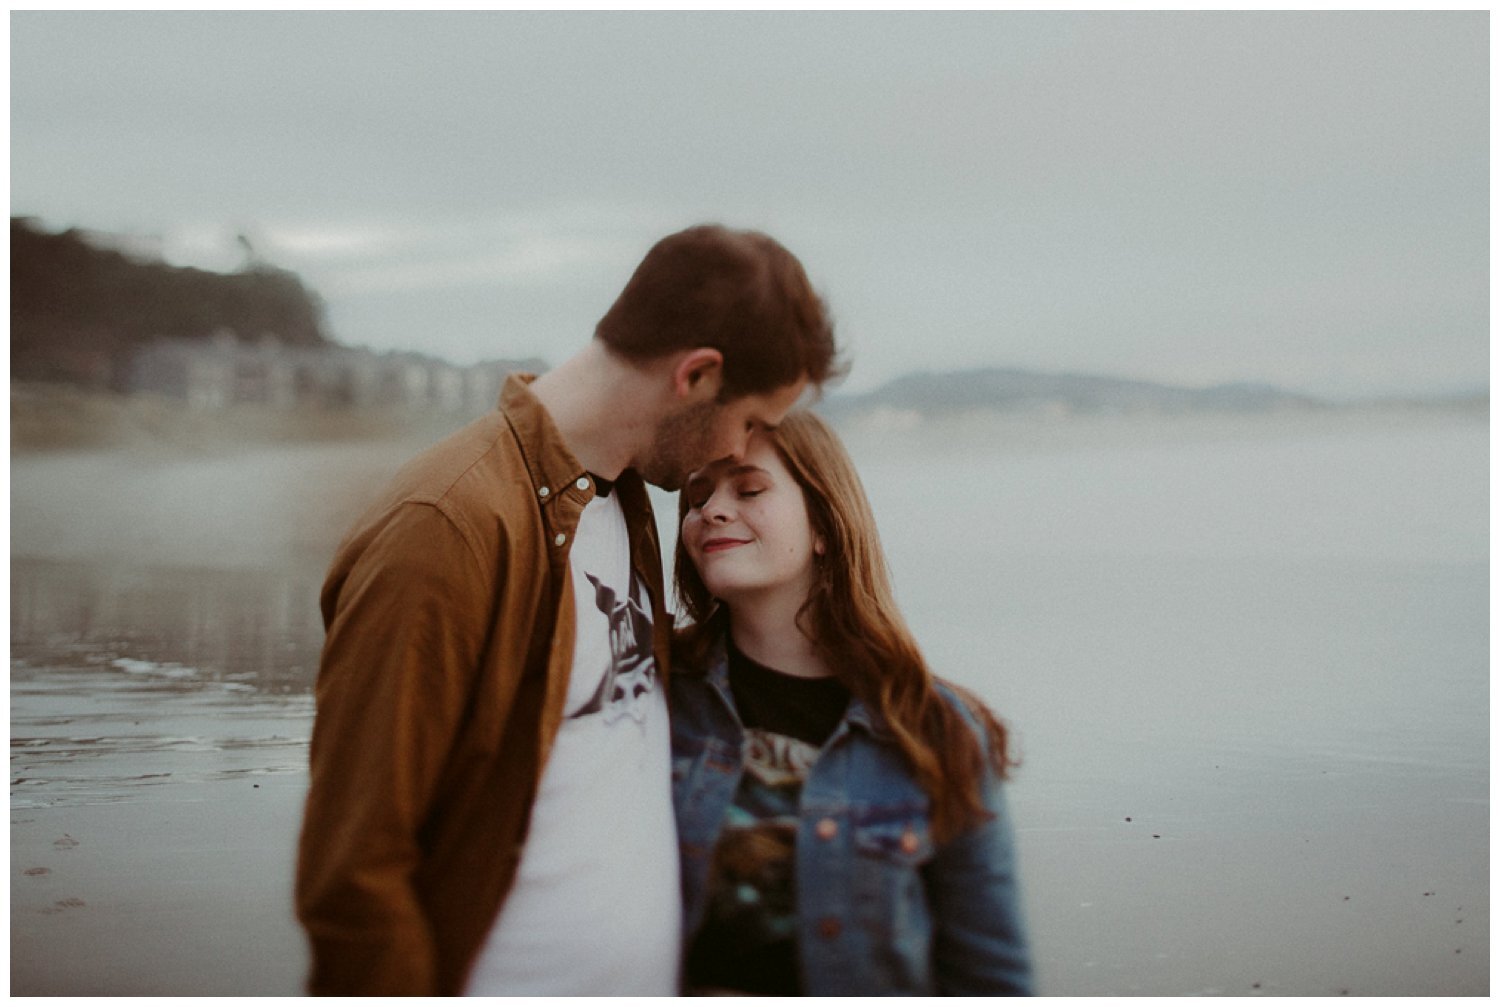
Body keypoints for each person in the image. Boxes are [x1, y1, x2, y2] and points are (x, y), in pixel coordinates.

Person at [294, 225, 841, 996]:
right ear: (697, 375)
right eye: (750, 420)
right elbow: (353, 873)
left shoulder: (620, 497)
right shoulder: (445, 527)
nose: (738, 449)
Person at [670, 410, 1032, 995]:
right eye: (695, 497)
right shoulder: (649, 697)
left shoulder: (936, 730)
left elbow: (989, 973)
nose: (710, 509)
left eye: (750, 488)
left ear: (824, 525)